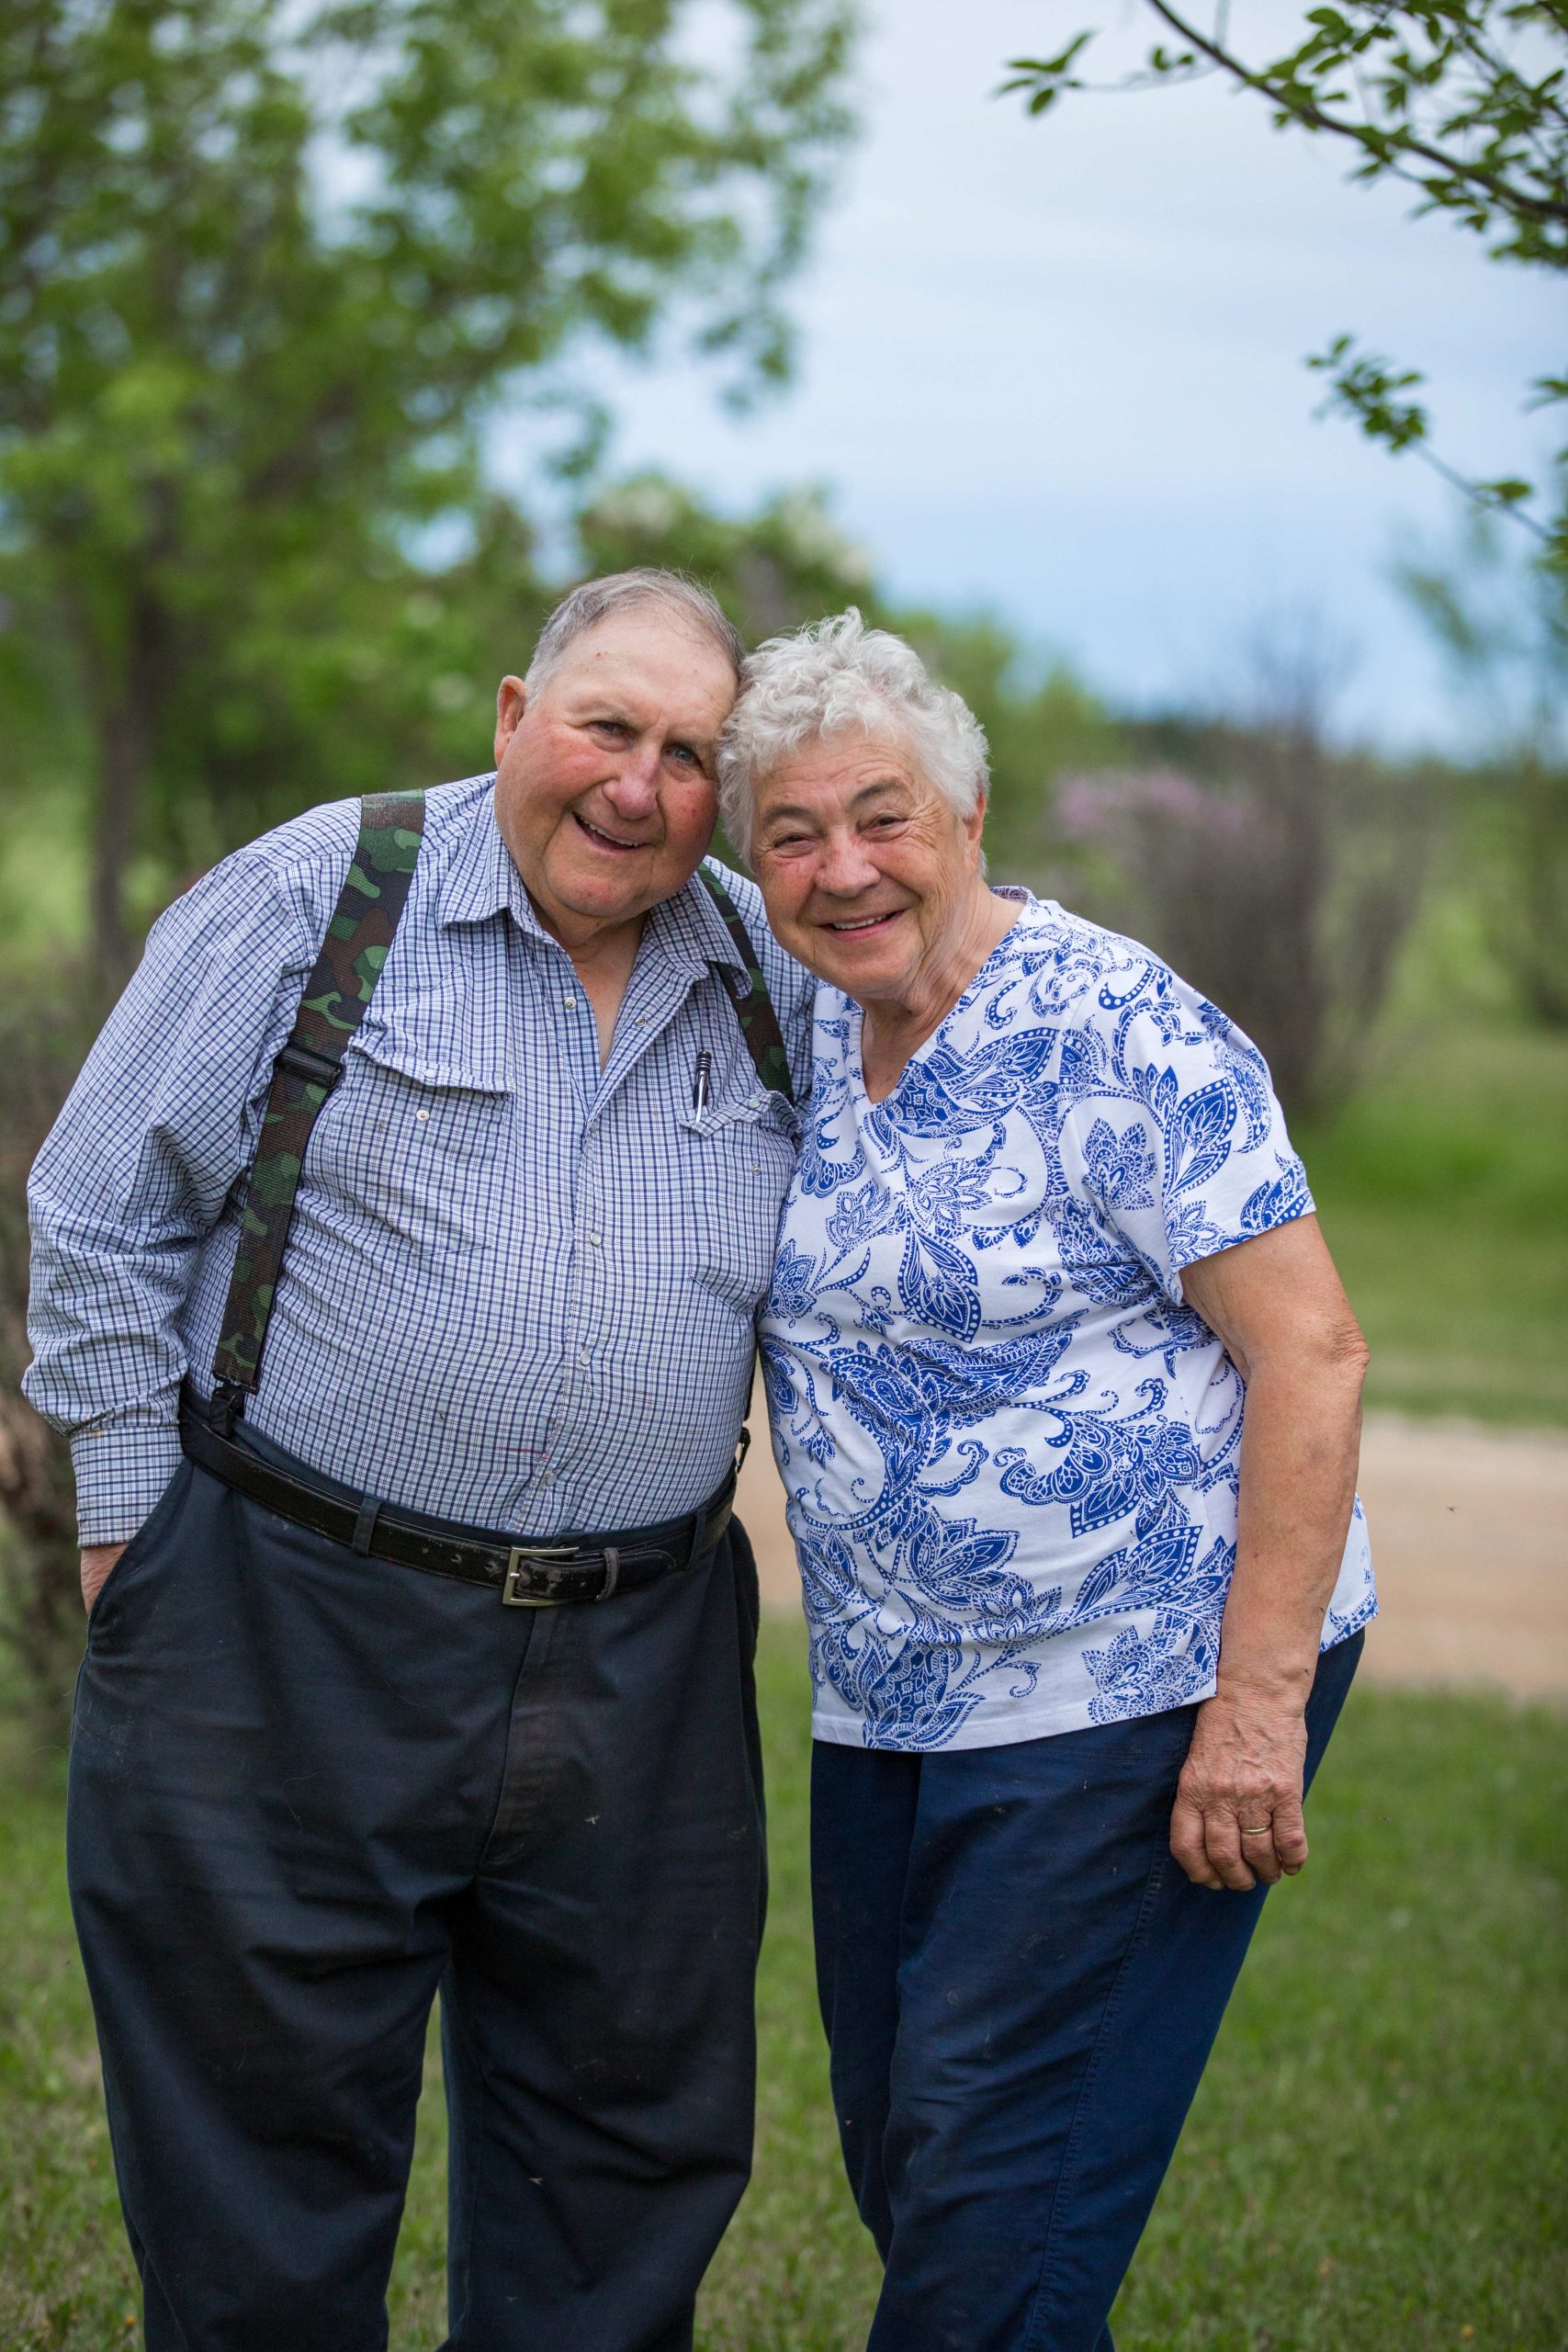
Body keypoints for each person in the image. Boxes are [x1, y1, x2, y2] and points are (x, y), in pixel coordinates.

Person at [25, 570, 809, 2352]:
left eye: (693, 755)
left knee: (622, 2177)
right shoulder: (324, 892)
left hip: (642, 1656)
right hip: (282, 1622)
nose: (639, 785)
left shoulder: (767, 969)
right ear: (515, 715)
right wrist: (133, 1542)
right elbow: (99, 1208)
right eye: (607, 727)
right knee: (259, 2190)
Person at [717, 610, 1377, 2352]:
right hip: (890, 1698)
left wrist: (1255, 1710)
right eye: (791, 834)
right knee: (917, 2160)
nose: (843, 868)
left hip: (1134, 1678)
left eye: (883, 816)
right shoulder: (803, 1021)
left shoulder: (1122, 1028)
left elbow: (1313, 1352)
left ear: (970, 811)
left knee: (994, 2210)